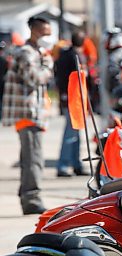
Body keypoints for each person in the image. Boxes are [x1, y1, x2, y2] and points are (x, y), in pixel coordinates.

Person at [1, 16, 54, 215]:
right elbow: (34, 78)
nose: (48, 37)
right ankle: (31, 198)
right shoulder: (26, 53)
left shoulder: (37, 52)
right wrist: (48, 66)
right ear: (34, 31)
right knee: (34, 159)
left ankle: (28, 195)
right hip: (27, 113)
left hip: (35, 112)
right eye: (45, 33)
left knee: (30, 158)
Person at [54, 30, 88, 177]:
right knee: (70, 132)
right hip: (73, 99)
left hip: (72, 98)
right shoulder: (75, 57)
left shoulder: (64, 55)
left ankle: (76, 164)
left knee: (76, 132)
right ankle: (63, 165)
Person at [104, 27, 122, 93]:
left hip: (120, 90)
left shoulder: (114, 56)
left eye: (109, 38)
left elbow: (113, 76)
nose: (106, 41)